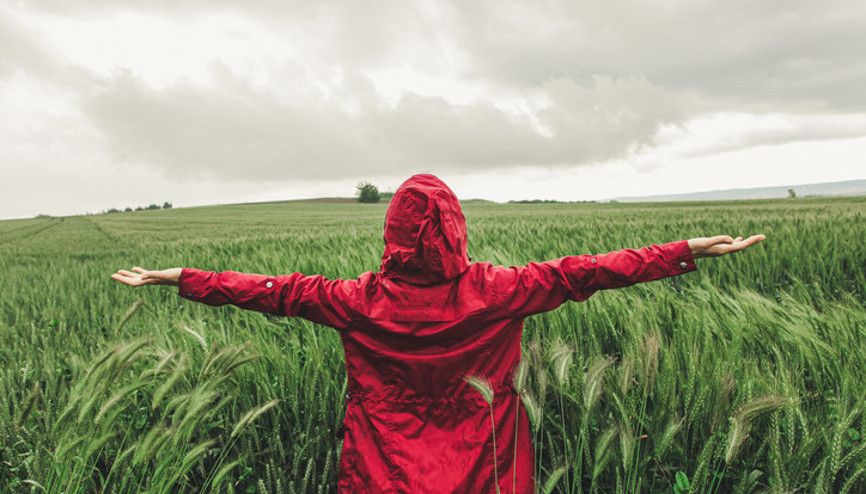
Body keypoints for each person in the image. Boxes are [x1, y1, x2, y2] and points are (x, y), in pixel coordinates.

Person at [112, 174, 764, 493]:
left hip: (382, 468)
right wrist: (684, 250)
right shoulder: (500, 289)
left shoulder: (352, 300)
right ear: (455, 229)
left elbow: (267, 291)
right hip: (488, 464)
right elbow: (589, 272)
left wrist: (178, 276)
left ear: (391, 235)